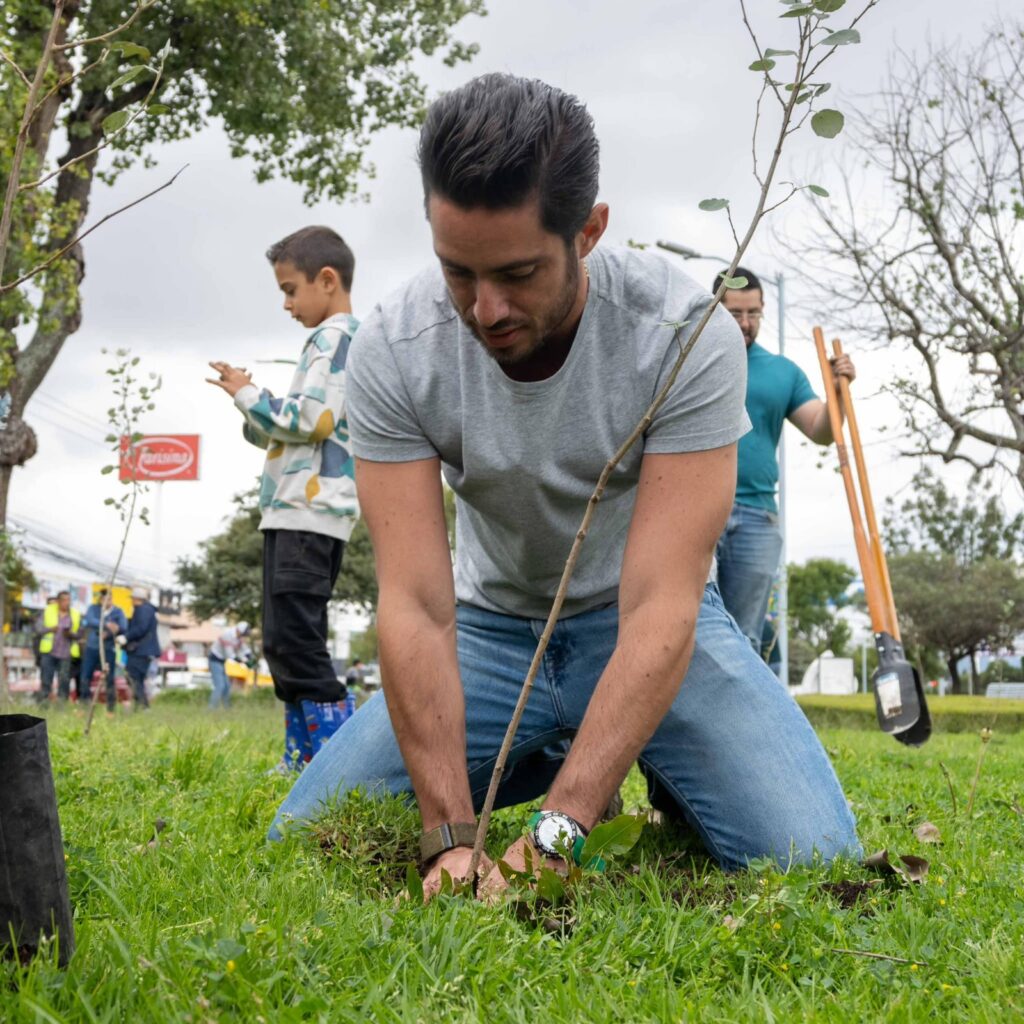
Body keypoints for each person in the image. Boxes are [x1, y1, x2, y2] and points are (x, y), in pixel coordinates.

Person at [268, 74, 861, 897]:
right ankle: (567, 744)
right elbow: (415, 605)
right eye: (458, 273)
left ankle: (616, 756)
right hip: (486, 633)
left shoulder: (683, 338)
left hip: (637, 622)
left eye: (516, 273)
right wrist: (447, 835)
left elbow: (663, 606)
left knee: (812, 856)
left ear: (588, 232)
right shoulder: (395, 349)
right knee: (303, 836)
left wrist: (561, 831)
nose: (485, 309)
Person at [207, 226, 360, 770]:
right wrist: (247, 401)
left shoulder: (337, 338)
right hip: (294, 510)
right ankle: (302, 758)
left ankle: (339, 761)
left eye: (291, 289)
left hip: (310, 512)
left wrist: (250, 395)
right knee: (282, 639)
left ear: (327, 279)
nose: (287, 304)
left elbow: (313, 420)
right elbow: (291, 426)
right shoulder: (327, 342)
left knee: (297, 640)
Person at [714, 268, 856, 653]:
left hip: (758, 517)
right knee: (690, 628)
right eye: (735, 313)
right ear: (713, 308)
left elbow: (821, 430)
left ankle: (737, 716)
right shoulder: (691, 359)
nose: (746, 323)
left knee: (743, 637)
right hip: (699, 508)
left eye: (754, 313)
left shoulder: (782, 371)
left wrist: (838, 394)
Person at [80, 589, 127, 711]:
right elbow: (90, 620)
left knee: (109, 678)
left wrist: (110, 632)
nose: (107, 601)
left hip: (108, 649)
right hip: (92, 648)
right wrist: (107, 624)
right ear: (100, 599)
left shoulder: (118, 611)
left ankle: (110, 708)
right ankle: (84, 704)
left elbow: (123, 627)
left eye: (110, 598)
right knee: (85, 676)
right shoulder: (93, 608)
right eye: (105, 599)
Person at [36, 591, 82, 704]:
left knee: (64, 681)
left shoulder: (75, 614)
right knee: (46, 680)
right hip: (49, 652)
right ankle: (44, 705)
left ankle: (61, 707)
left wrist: (70, 634)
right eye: (64, 600)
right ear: (58, 601)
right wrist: (51, 629)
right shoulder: (48, 611)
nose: (67, 603)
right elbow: (38, 629)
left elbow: (80, 634)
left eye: (69, 600)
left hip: (66, 654)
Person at [121, 585, 160, 709]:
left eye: (133, 598)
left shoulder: (143, 610)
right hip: (144, 651)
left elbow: (141, 628)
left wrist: (126, 637)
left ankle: (143, 706)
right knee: (137, 679)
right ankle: (141, 706)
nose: (132, 601)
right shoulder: (148, 610)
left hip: (141, 651)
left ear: (137, 599)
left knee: (133, 677)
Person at [207, 621, 253, 709]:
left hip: (222, 661)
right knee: (220, 686)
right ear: (239, 631)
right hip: (214, 659)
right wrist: (244, 662)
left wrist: (249, 657)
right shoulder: (227, 635)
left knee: (227, 686)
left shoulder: (238, 637)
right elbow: (231, 655)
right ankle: (211, 709)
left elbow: (244, 649)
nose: (244, 637)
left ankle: (227, 708)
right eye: (243, 634)